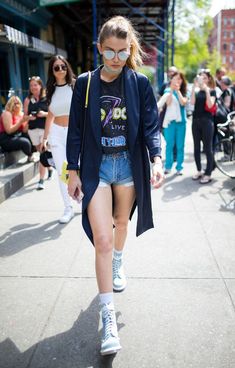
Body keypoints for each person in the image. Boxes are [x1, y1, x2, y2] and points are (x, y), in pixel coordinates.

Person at [66, 15, 164, 356]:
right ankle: (108, 316)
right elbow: (76, 129)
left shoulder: (139, 83)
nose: (116, 59)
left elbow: (151, 126)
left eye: (123, 52)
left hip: (127, 166)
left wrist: (157, 158)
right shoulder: (85, 83)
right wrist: (72, 170)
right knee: (102, 239)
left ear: (130, 49)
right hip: (98, 167)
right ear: (99, 48)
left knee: (121, 224)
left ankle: (119, 261)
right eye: (110, 51)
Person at [41, 55, 78, 224]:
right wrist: (45, 137)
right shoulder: (50, 90)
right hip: (56, 133)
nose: (61, 70)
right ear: (52, 71)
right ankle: (68, 207)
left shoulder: (75, 85)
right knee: (63, 172)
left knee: (78, 167)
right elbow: (50, 116)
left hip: (74, 132)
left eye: (63, 66)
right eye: (56, 68)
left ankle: (83, 198)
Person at [158, 71, 188, 175]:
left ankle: (179, 167)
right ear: (172, 79)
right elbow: (168, 103)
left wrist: (178, 91)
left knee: (180, 146)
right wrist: (171, 90)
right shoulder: (167, 91)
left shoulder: (184, 91)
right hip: (170, 123)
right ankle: (168, 166)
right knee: (169, 145)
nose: (178, 81)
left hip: (181, 123)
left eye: (180, 79)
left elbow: (183, 103)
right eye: (176, 78)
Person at [24, 76, 51, 190]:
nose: (33, 87)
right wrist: (29, 117)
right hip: (32, 130)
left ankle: (41, 180)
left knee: (42, 154)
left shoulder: (47, 98)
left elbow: (52, 114)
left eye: (35, 85)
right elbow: (24, 116)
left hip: (45, 129)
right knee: (41, 152)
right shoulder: (27, 100)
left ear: (40, 85)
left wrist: (44, 114)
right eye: (31, 85)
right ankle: (49, 168)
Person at [190, 69, 216, 184]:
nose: (202, 80)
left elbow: (210, 105)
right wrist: (193, 87)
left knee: (207, 148)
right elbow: (191, 103)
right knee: (196, 147)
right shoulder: (196, 90)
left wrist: (206, 90)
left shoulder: (212, 91)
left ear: (209, 79)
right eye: (201, 77)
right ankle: (199, 170)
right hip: (195, 121)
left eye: (205, 78)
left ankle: (208, 173)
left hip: (207, 122)